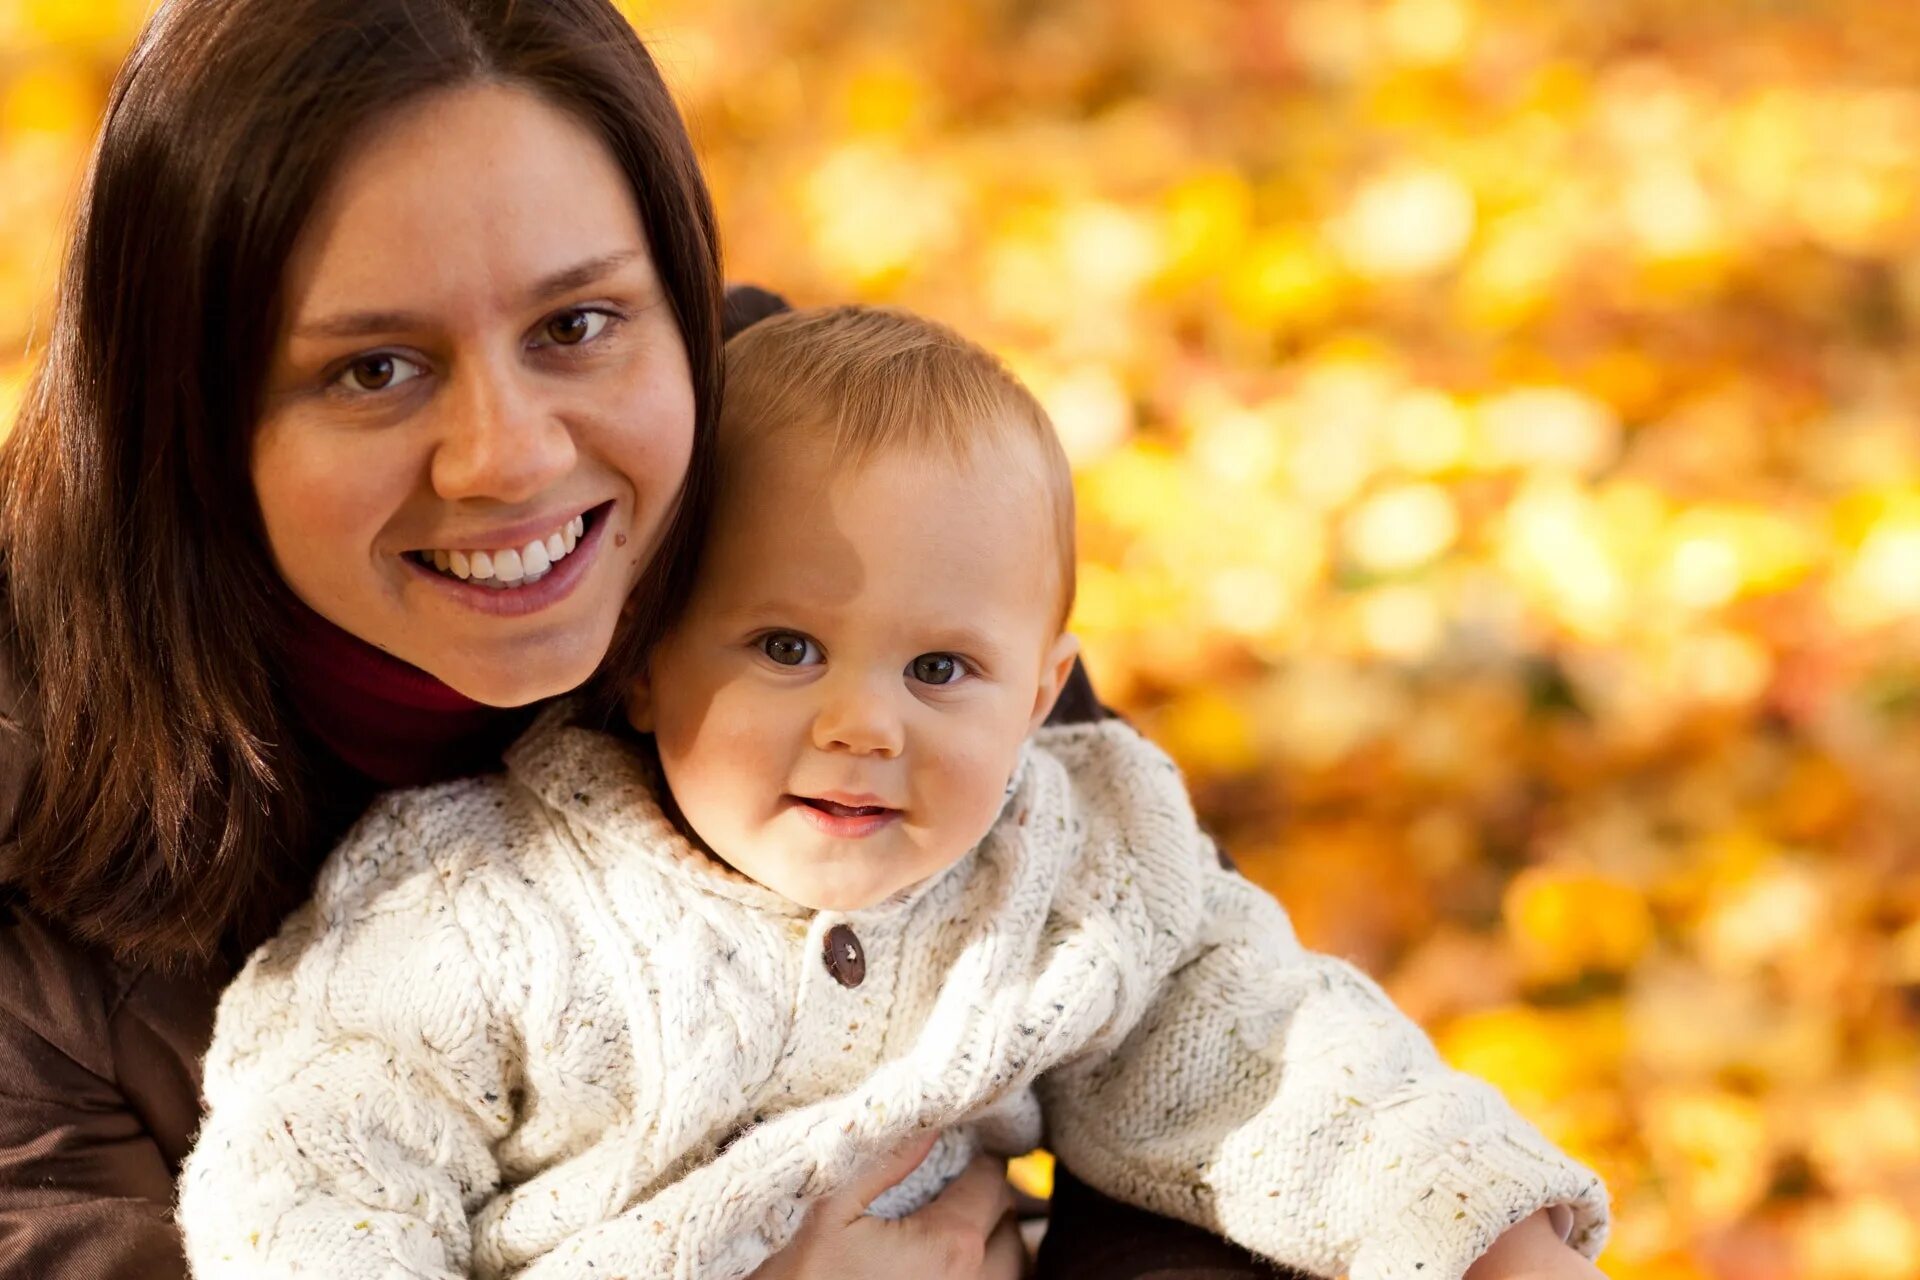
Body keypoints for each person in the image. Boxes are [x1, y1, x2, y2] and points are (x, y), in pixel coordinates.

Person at [179, 305, 1613, 1280]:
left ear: (1043, 692)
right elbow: (308, 1201)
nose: (865, 726)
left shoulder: (1064, 863)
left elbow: (1264, 1052)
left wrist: (1477, 1228)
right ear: (641, 660)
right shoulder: (474, 913)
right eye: (788, 648)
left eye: (941, 669)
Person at [0, 3, 1036, 1277]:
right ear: (191, 411)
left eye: (578, 324)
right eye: (375, 368)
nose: (512, 457)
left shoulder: (845, 500)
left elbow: (1216, 1090)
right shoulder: (26, 879)